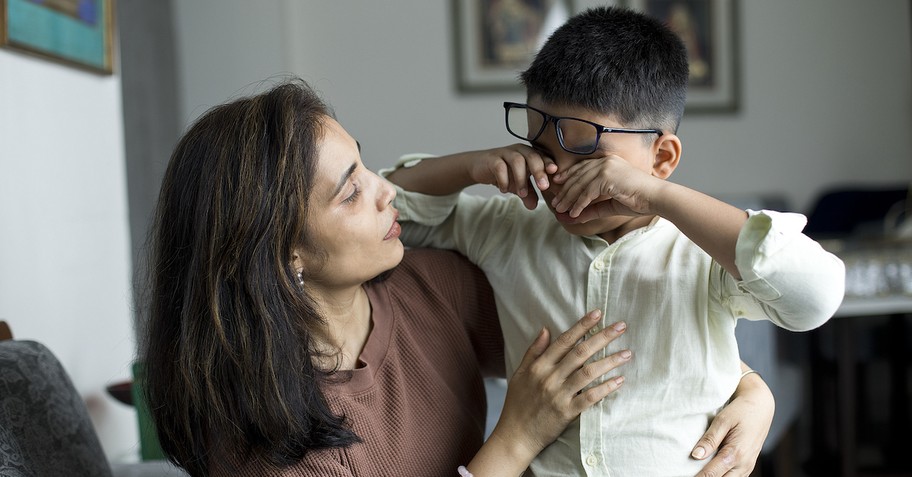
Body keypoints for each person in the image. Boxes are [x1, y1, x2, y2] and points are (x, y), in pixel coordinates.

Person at [384, 6, 845, 476]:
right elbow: (385, 208)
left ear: (661, 158)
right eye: (542, 152)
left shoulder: (701, 253)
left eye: (587, 157)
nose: (557, 178)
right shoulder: (506, 226)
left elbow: (815, 298)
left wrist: (656, 196)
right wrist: (470, 166)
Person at [140, 78, 635, 477]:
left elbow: (607, 324)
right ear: (283, 252)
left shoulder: (432, 286)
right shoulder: (266, 446)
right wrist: (518, 437)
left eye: (363, 163)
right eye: (350, 192)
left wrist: (715, 393)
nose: (385, 190)